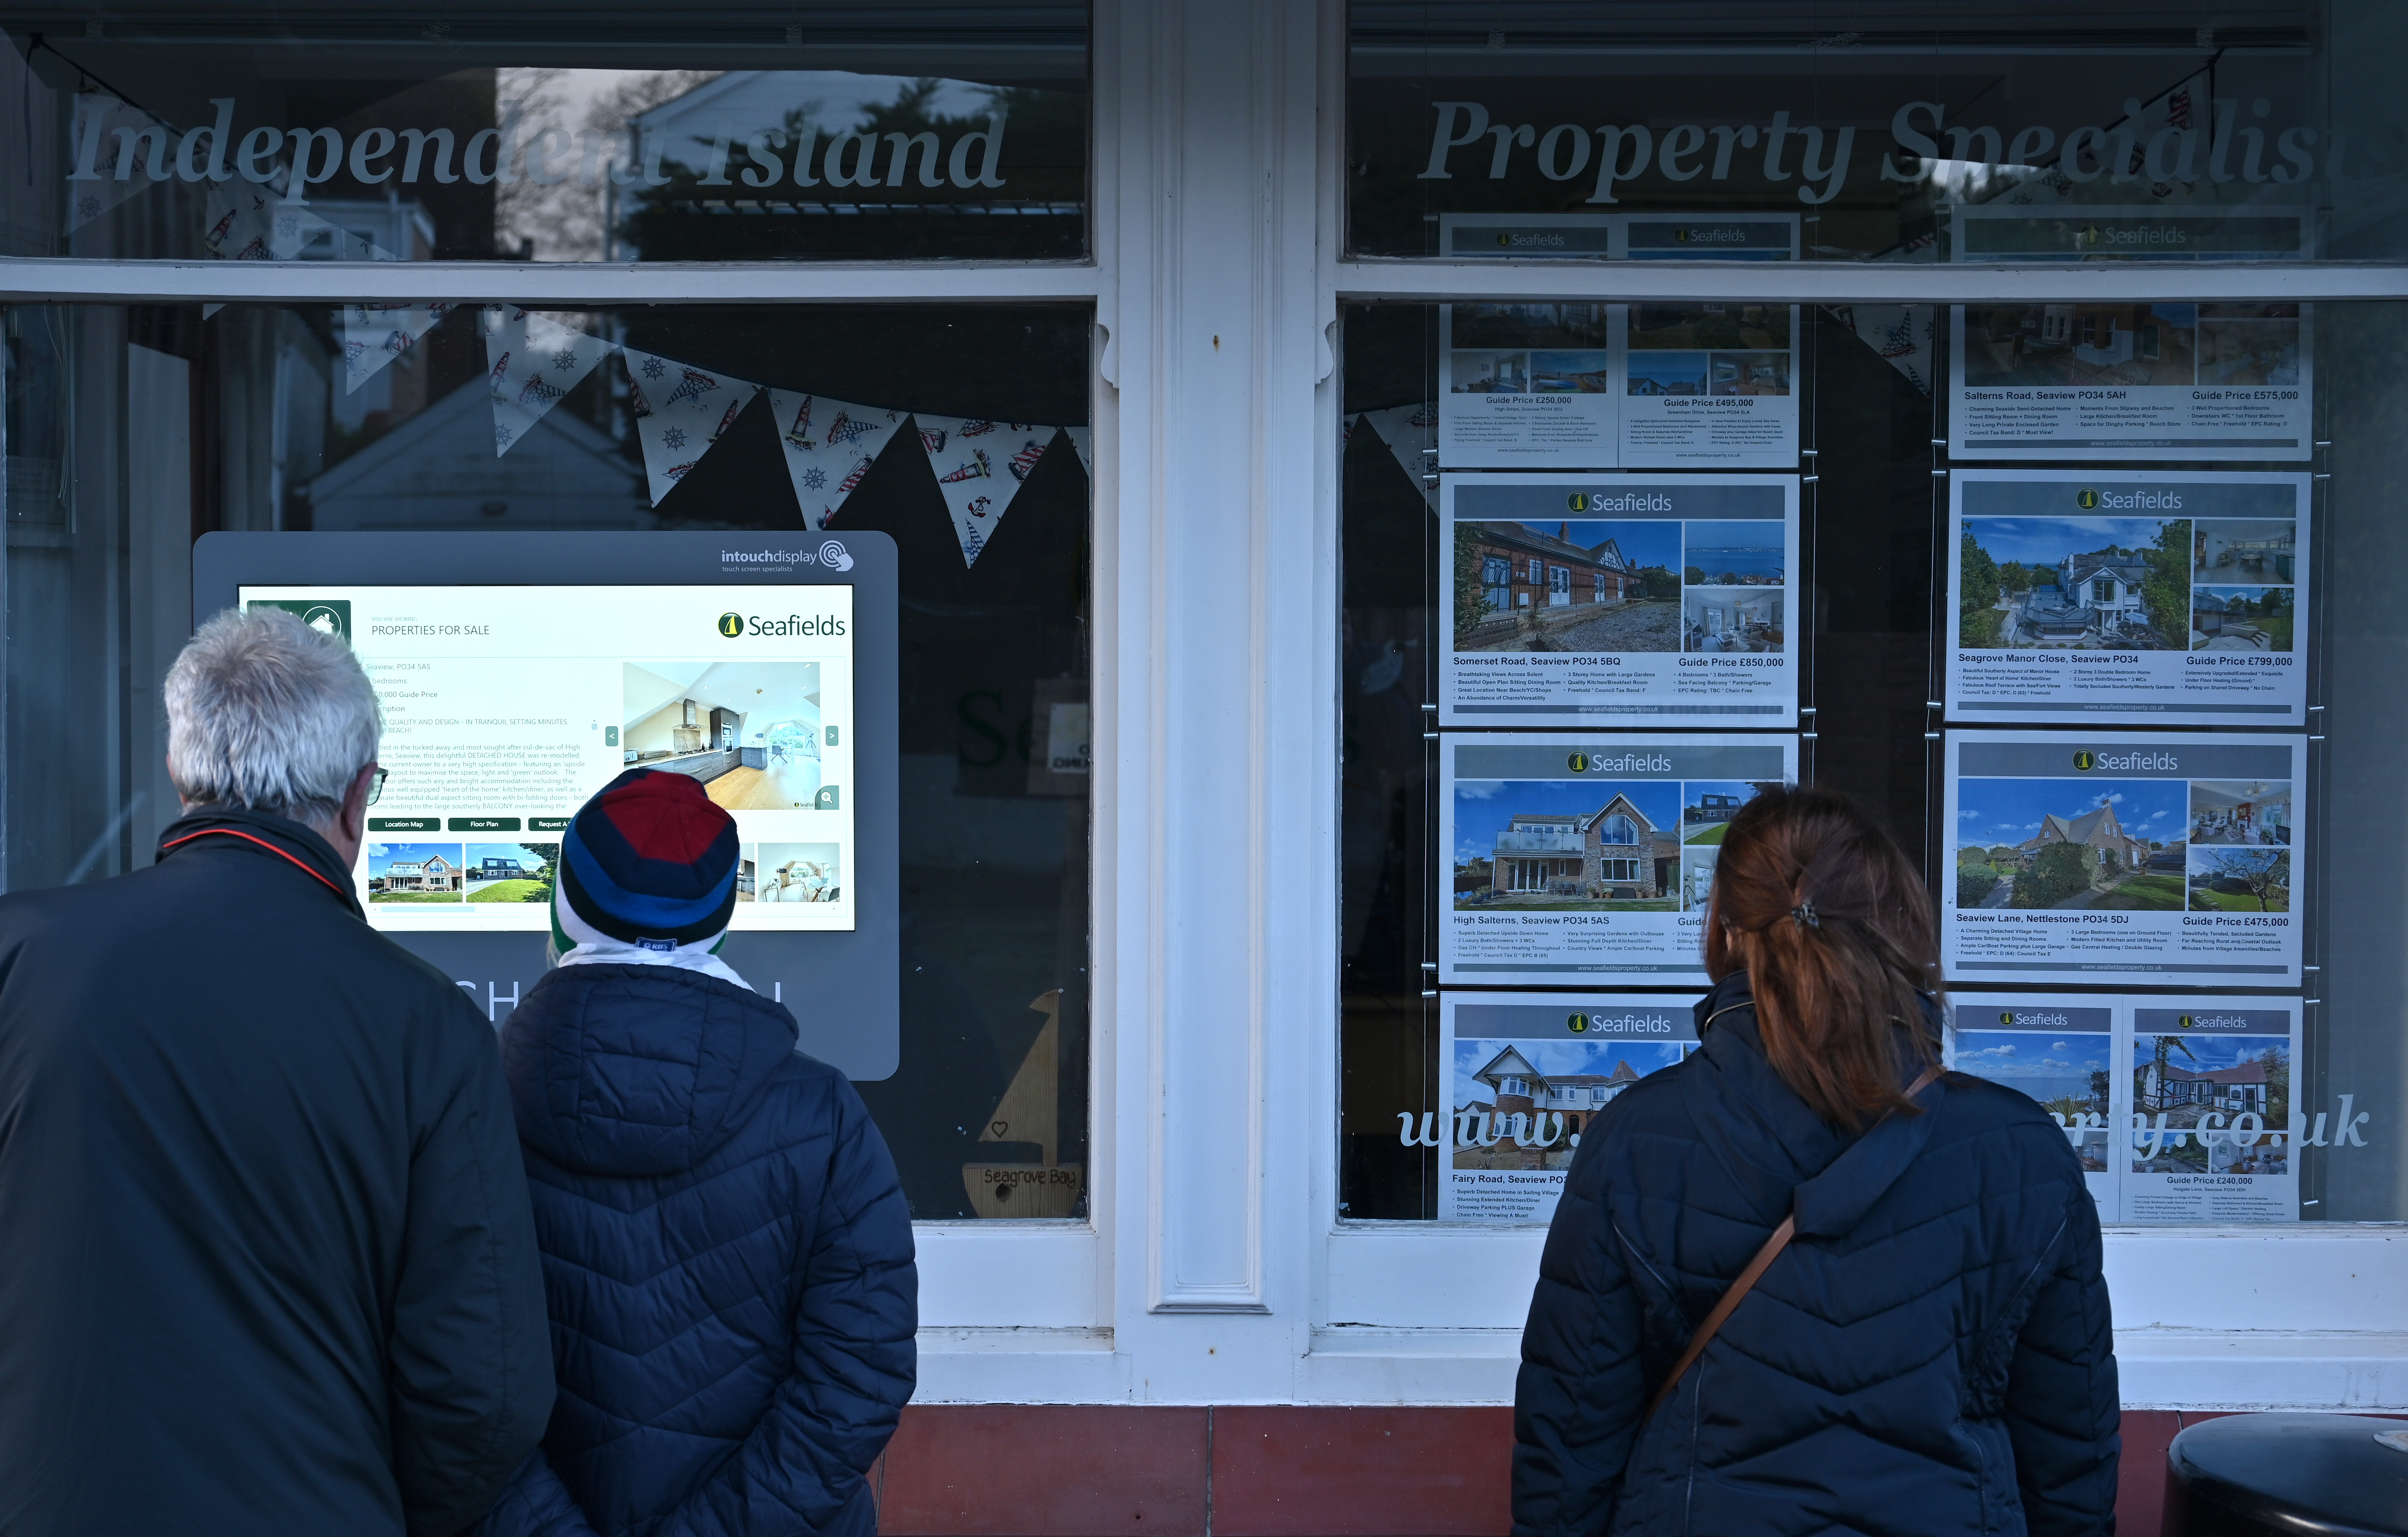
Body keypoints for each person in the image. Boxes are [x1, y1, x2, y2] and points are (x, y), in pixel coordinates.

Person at [0, 607, 553, 1536]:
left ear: (182, 772)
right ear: (357, 797)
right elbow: (484, 1388)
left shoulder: (19, 956)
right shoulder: (427, 1024)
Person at [1513, 786, 2118, 1537]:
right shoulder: (2023, 1150)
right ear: (1897, 923)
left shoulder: (1635, 1142)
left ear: (1728, 931)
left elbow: (1570, 1447)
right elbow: (2072, 1453)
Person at [475, 768, 916, 1537]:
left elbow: (452, 1377)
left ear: (561, 910)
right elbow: (860, 1374)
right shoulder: (823, 1117)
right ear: (718, 921)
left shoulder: (467, 1107)